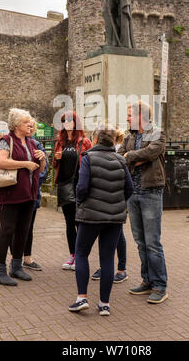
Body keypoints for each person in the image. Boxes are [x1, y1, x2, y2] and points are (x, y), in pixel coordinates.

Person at [68, 125, 133, 316]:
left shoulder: (88, 158)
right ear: (113, 141)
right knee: (107, 259)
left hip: (90, 216)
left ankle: (82, 298)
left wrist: (81, 204)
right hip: (114, 218)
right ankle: (104, 304)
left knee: (81, 254)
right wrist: (118, 204)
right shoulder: (121, 160)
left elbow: (81, 187)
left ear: (95, 140)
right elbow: (129, 189)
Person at [118, 101, 168, 304]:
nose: (127, 118)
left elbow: (150, 153)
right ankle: (147, 280)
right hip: (133, 193)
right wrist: (132, 157)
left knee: (153, 243)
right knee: (140, 242)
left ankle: (160, 286)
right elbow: (119, 156)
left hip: (151, 191)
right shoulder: (129, 136)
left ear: (141, 117)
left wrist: (130, 156)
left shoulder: (157, 133)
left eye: (130, 115)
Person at [0, 108, 46, 286]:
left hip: (29, 194)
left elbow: (40, 168)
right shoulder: (6, 141)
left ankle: (16, 266)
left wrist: (42, 158)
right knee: (7, 230)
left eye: (30, 122)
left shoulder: (31, 143)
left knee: (23, 230)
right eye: (25, 122)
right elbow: (1, 162)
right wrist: (25, 163)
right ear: (16, 125)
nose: (30, 125)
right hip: (11, 193)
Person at [52, 111, 91, 270]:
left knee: (79, 222)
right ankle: (72, 255)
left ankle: (81, 255)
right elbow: (55, 165)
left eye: (70, 120)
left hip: (79, 186)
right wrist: (56, 158)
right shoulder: (59, 142)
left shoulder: (84, 142)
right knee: (69, 222)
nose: (67, 123)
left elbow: (91, 163)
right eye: (64, 121)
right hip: (64, 185)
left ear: (76, 122)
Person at [91, 129, 128, 284]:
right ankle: (106, 267)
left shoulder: (118, 152)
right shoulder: (94, 154)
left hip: (115, 201)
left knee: (118, 236)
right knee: (106, 237)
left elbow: (128, 184)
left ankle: (121, 269)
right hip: (104, 202)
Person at [22, 118, 48, 271]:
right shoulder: (13, 143)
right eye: (28, 125)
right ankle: (14, 258)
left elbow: (44, 171)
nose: (30, 128)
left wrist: (42, 160)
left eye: (33, 126)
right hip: (17, 192)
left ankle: (27, 258)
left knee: (29, 226)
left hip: (32, 192)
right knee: (14, 227)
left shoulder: (37, 145)